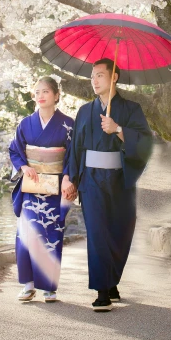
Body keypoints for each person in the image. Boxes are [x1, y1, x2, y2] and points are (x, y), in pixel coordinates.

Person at [66, 58, 153, 311]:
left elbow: (146, 144)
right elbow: (75, 149)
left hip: (120, 178)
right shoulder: (84, 112)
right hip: (91, 180)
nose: (94, 80)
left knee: (120, 231)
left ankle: (112, 278)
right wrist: (70, 179)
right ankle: (102, 291)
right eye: (92, 76)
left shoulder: (132, 109)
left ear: (114, 77)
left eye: (100, 75)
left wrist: (118, 129)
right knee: (97, 233)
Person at [9, 77, 76, 303]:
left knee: (51, 232)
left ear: (56, 95)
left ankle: (49, 286)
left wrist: (67, 177)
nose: (40, 95)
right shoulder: (25, 124)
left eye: (46, 91)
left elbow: (75, 154)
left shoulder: (69, 124)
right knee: (27, 233)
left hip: (57, 185)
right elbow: (15, 150)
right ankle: (28, 285)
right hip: (32, 185)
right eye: (37, 92)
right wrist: (24, 166)